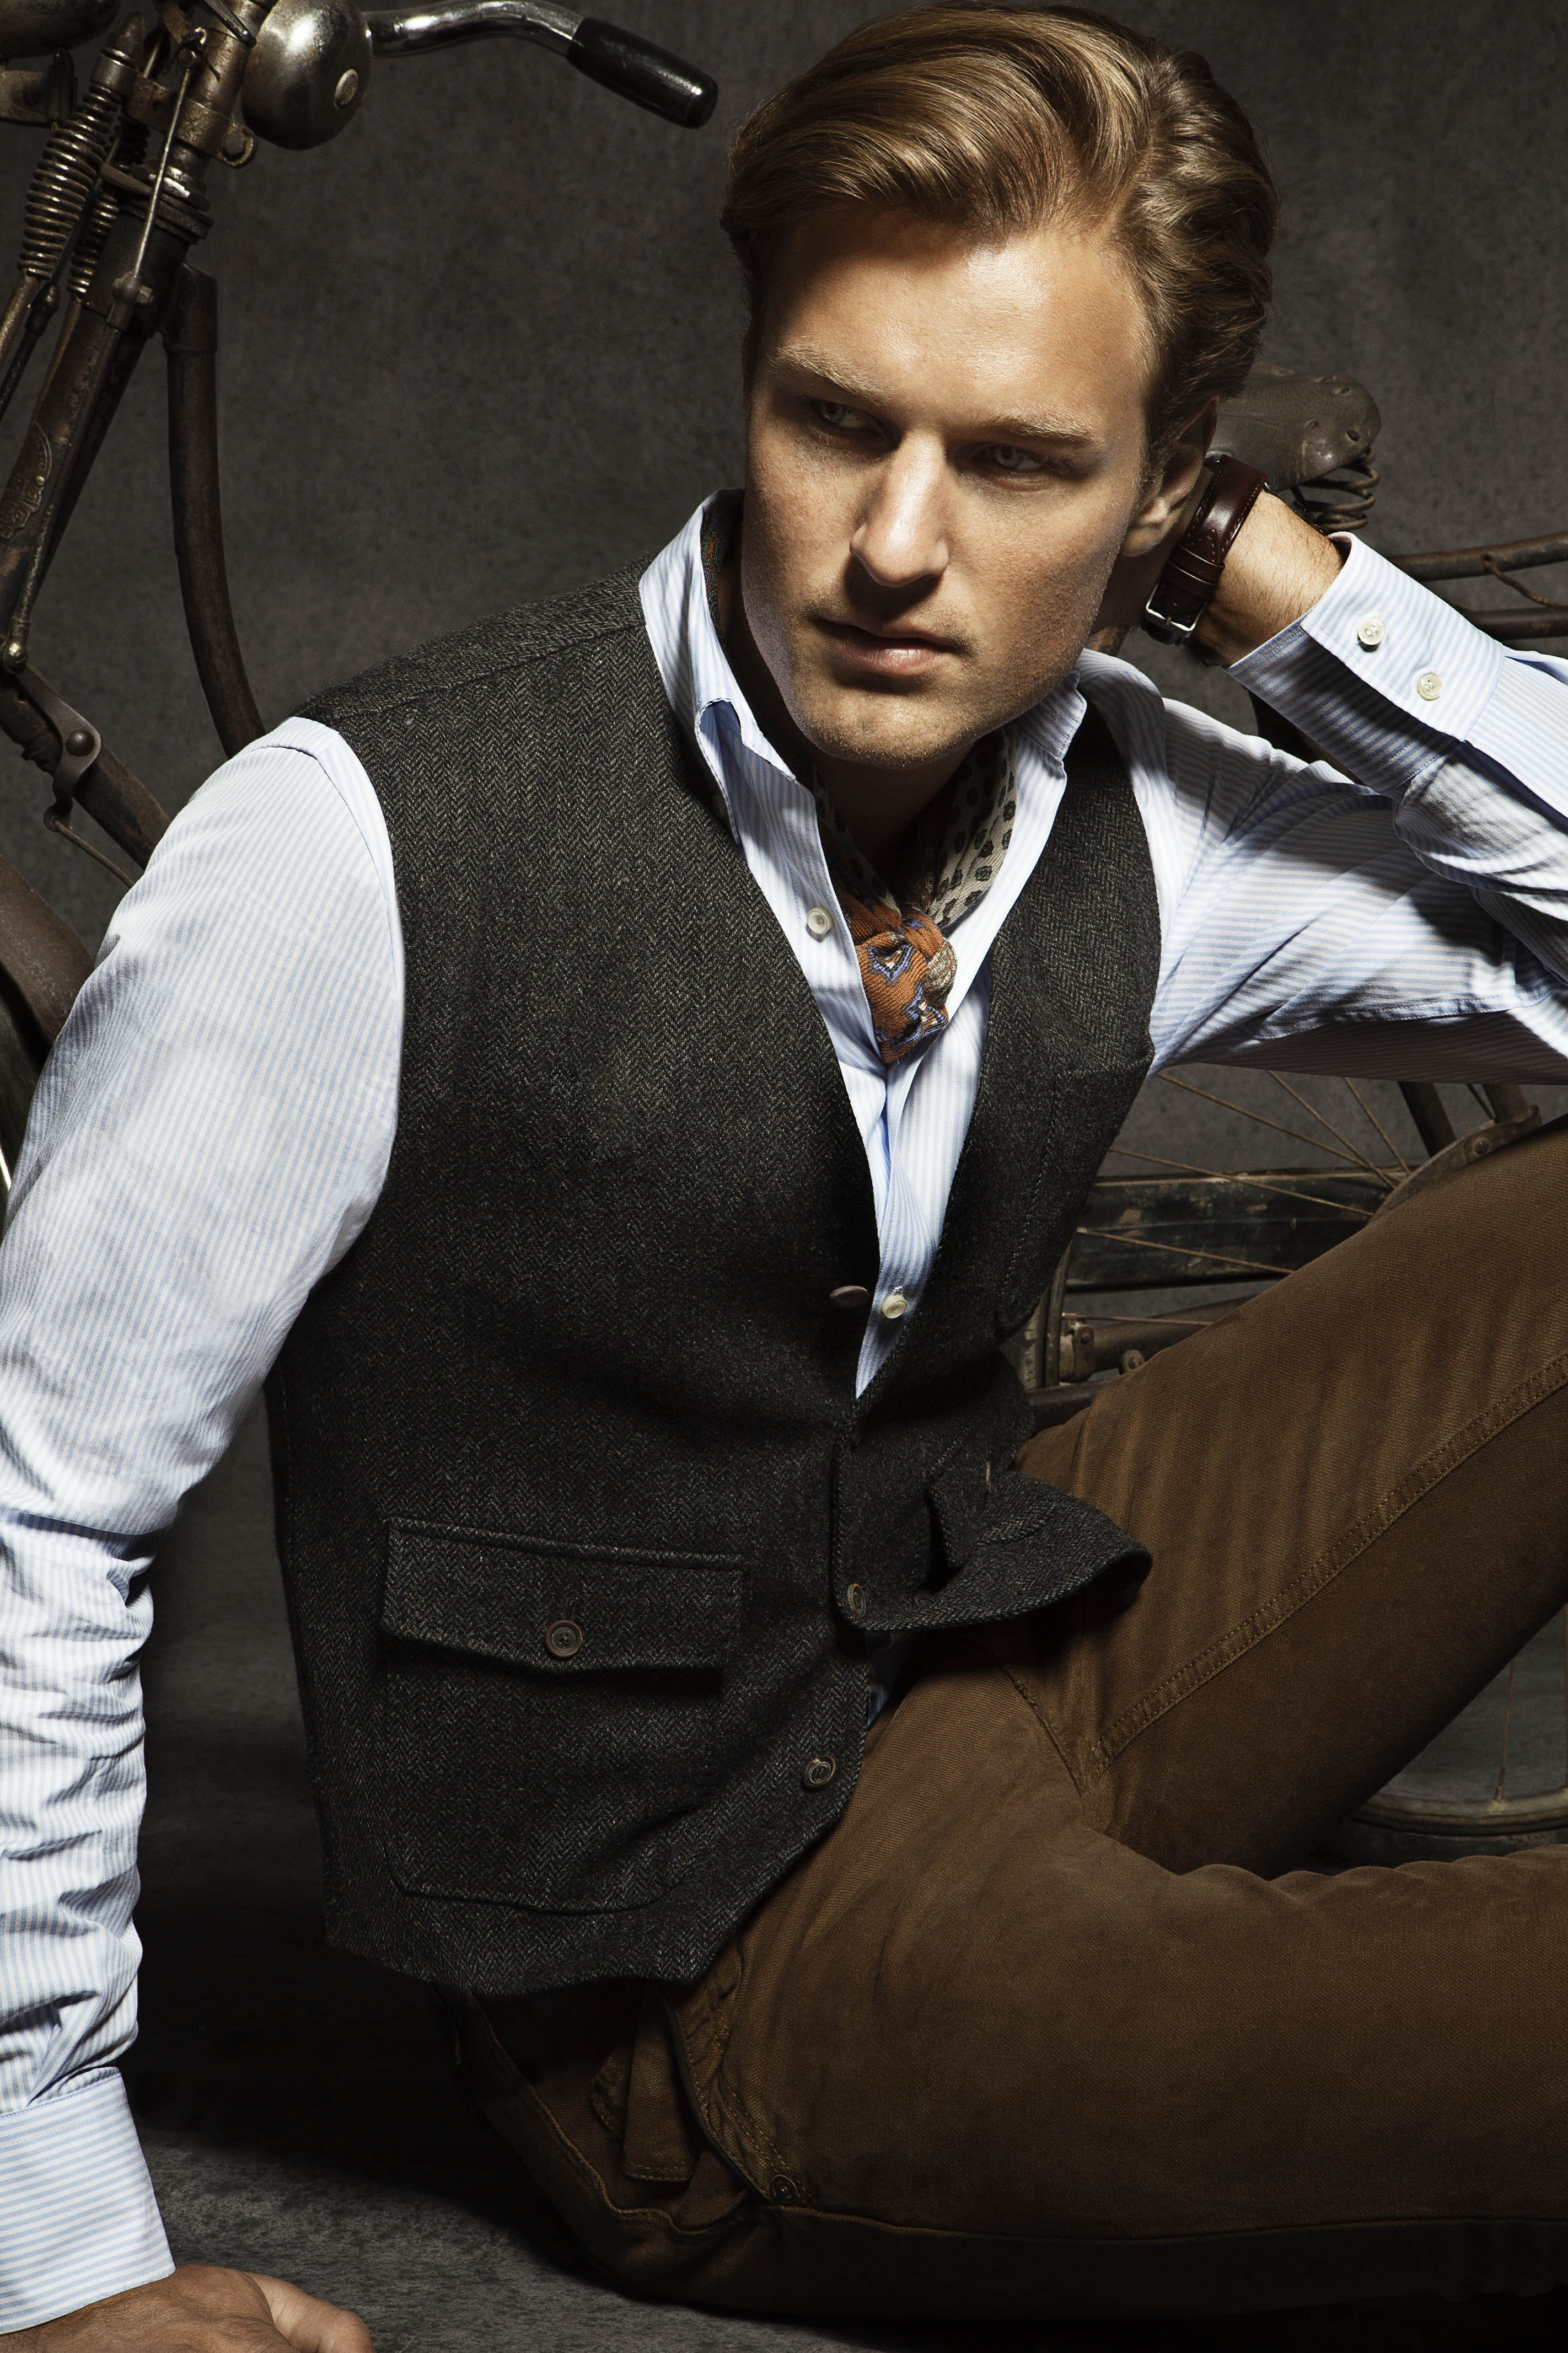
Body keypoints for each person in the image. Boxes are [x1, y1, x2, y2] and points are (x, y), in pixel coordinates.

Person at [8, 4, 1568, 2342]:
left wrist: (1280, 586)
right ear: (752, 384)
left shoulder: (1130, 811)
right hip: (701, 2007)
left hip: (987, 1655)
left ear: (1160, 487)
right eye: (839, 421)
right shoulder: (359, 854)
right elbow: (36, 1508)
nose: (895, 549)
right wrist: (46, 2251)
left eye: (1022, 464)